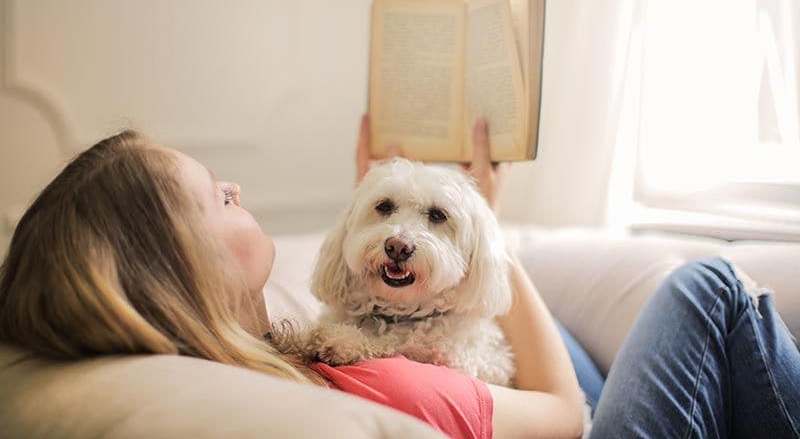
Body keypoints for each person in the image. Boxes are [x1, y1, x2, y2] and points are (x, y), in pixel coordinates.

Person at [0, 114, 797, 438]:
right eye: (217, 196)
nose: (237, 190)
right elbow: (565, 414)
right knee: (710, 286)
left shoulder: (278, 353)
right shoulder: (374, 382)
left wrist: (397, 206)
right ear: (176, 267)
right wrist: (486, 231)